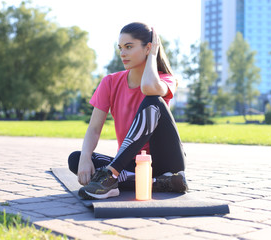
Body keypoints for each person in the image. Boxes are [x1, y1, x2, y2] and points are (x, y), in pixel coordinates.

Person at [68, 22, 188, 200]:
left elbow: (148, 88)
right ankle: (158, 182)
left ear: (148, 48)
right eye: (121, 48)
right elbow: (94, 128)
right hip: (129, 162)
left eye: (129, 47)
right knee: (76, 159)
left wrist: (153, 54)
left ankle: (112, 176)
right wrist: (86, 157)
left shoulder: (166, 79)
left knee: (153, 100)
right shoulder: (110, 82)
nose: (123, 53)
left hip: (165, 163)